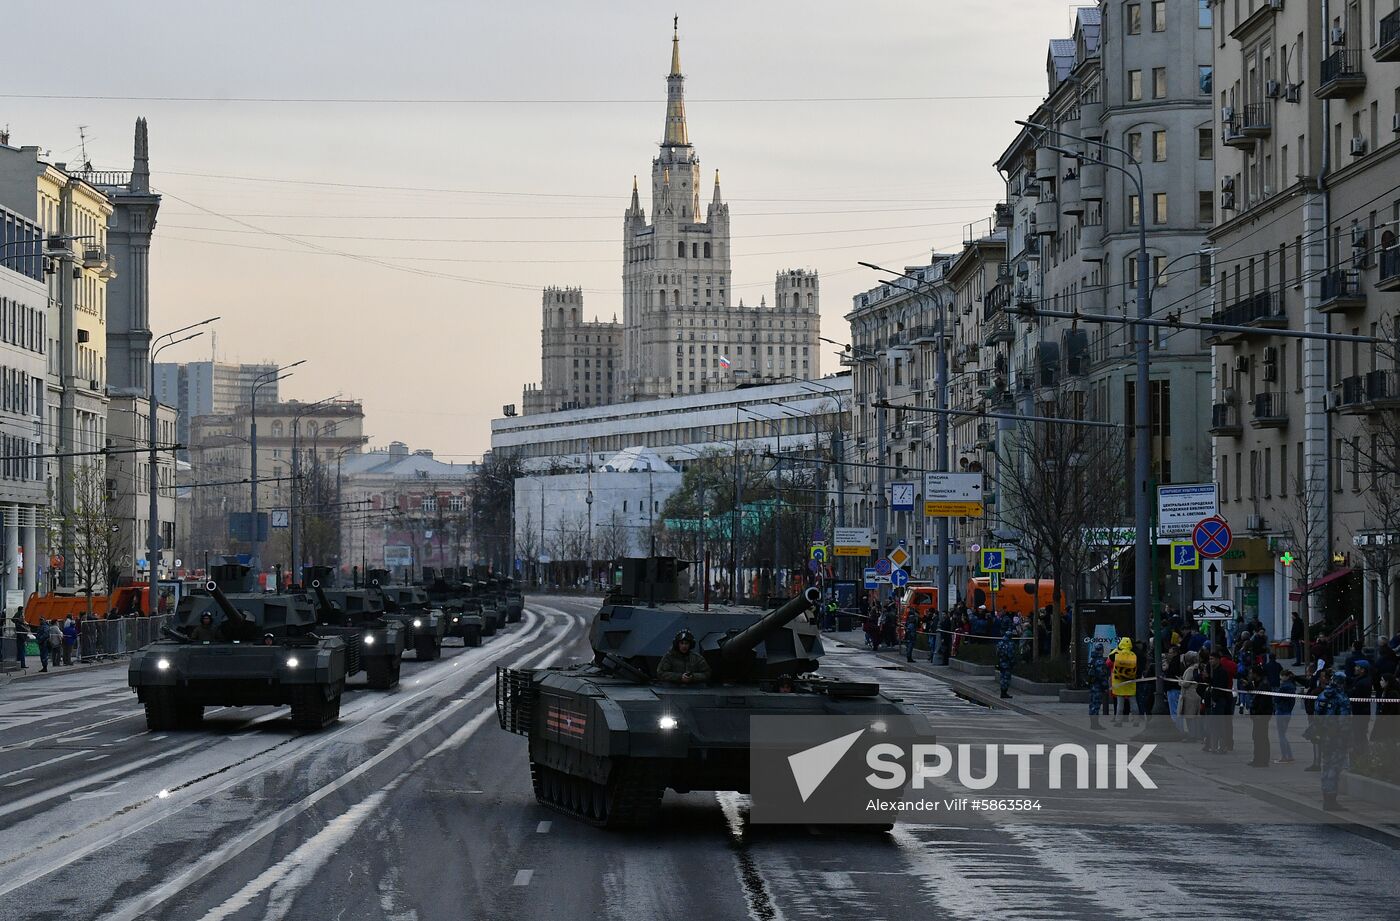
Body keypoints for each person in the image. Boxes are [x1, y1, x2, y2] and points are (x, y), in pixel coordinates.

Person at [1314, 670, 1353, 811]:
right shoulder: (1341, 697)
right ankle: (1331, 800)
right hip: (1337, 737)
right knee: (1334, 768)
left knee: (1326, 765)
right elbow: (1344, 721)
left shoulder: (1323, 694)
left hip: (1324, 736)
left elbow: (1317, 714)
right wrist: (1347, 738)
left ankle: (1326, 798)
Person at [1245, 665, 1274, 767]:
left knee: (1261, 737)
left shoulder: (1264, 684)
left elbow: (1263, 701)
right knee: (1257, 737)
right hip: (1259, 715)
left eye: (1251, 673)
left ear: (1256, 674)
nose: (1249, 675)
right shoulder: (1259, 683)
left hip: (1261, 716)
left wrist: (1258, 713)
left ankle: (1262, 760)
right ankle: (1258, 758)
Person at [1109, 637, 1138, 726]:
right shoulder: (1133, 655)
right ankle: (1136, 721)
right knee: (1133, 703)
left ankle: (1119, 722)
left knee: (1120, 704)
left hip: (1119, 682)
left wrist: (1118, 648)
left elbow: (1110, 657)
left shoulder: (1116, 654)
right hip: (1130, 682)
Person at [1274, 669, 1297, 764]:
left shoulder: (1284, 687)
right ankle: (1289, 755)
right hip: (1288, 711)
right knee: (1283, 734)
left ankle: (1284, 756)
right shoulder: (1291, 686)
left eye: (1282, 675)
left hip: (1282, 711)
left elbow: (1277, 699)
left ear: (1286, 676)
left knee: (1281, 735)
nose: (1281, 677)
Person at [1087, 643, 1109, 730]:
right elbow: (1102, 675)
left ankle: (1093, 723)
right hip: (1097, 686)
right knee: (1096, 704)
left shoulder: (1092, 660)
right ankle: (1095, 724)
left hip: (1093, 685)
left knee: (1092, 704)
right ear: (1102, 650)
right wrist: (1105, 686)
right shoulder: (1099, 661)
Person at [996, 629, 1016, 700]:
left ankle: (1002, 692)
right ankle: (1004, 692)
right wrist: (1013, 662)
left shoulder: (1000, 643)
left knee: (1002, 677)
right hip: (1007, 663)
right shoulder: (1010, 644)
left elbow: (997, 652)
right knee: (1006, 678)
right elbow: (1011, 654)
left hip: (1001, 662)